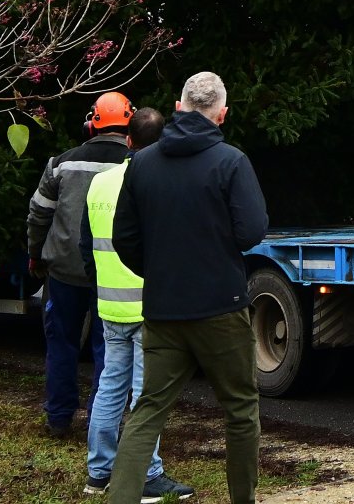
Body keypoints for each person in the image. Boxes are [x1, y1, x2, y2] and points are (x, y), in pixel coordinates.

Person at [105, 73, 268, 504]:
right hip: (222, 308)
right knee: (239, 411)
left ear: (178, 108)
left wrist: (158, 271)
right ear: (222, 114)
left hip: (163, 309)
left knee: (148, 411)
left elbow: (124, 237)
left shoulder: (141, 163)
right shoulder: (232, 162)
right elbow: (252, 230)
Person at [78, 106, 192, 502]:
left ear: (128, 140)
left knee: (109, 386)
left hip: (109, 302)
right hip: (148, 305)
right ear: (162, 144)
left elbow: (85, 245)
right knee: (148, 395)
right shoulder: (158, 182)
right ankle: (148, 475)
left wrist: (99, 288)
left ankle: (99, 472)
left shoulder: (100, 183)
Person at [27, 90, 134, 437]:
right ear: (130, 125)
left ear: (92, 124)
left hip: (64, 272)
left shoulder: (62, 163)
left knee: (62, 344)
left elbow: (38, 214)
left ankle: (59, 419)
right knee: (110, 351)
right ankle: (102, 423)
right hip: (112, 275)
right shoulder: (137, 165)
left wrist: (35, 254)